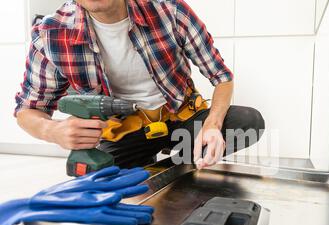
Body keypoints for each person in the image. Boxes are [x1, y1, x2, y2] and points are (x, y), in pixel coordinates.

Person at [15, 0, 265, 169]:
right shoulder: (51, 33)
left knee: (248, 122)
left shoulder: (169, 9)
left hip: (183, 120)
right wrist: (52, 131)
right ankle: (166, 167)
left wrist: (212, 125)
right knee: (100, 177)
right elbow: (27, 109)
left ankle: (182, 169)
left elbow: (222, 77)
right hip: (124, 132)